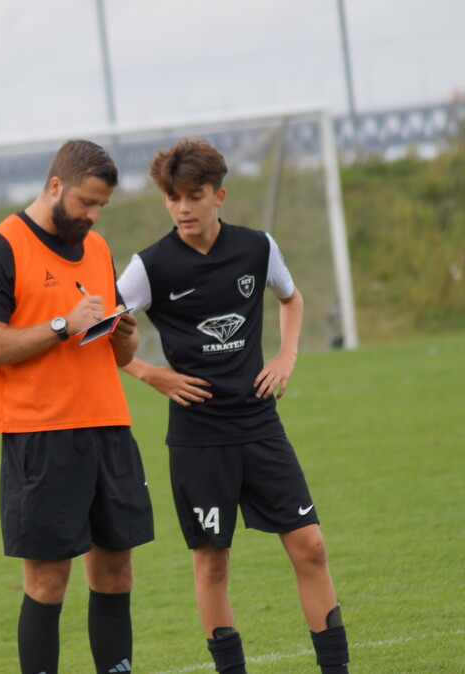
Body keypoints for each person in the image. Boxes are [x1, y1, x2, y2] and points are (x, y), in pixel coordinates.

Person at [116, 139, 350, 673]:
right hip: (198, 437)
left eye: (194, 196)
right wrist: (149, 373)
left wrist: (286, 355)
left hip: (259, 423)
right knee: (213, 564)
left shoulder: (257, 248)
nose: (182, 208)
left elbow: (291, 298)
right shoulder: (149, 267)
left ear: (219, 196)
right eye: (172, 198)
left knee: (311, 546)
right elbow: (97, 333)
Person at [0, 139, 155, 674]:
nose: (93, 216)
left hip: (108, 427)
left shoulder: (98, 248)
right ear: (54, 186)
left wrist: (126, 337)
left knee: (116, 574)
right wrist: (60, 325)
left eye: (101, 206)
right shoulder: (1, 246)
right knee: (48, 583)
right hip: (41, 435)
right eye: (86, 202)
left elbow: (119, 354)